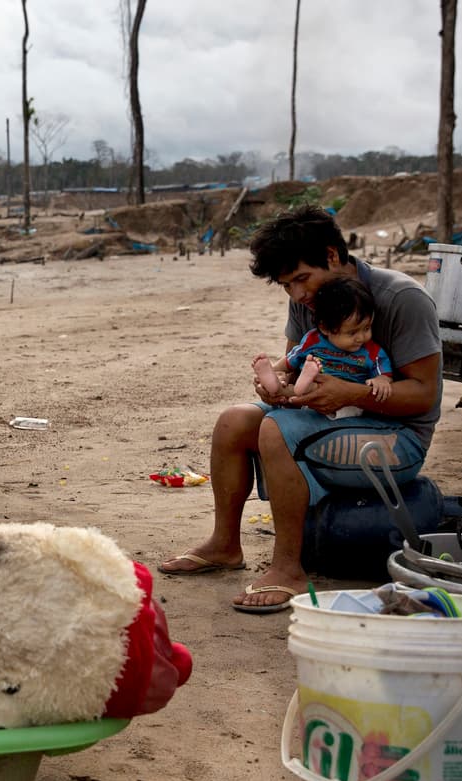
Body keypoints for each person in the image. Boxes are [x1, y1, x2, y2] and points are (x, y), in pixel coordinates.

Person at [159, 207, 442, 613]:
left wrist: (351, 393)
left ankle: (288, 569)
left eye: (301, 280)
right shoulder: (312, 300)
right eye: (286, 285)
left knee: (277, 430)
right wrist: (274, 382)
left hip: (397, 439)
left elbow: (423, 396)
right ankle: (225, 545)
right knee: (234, 421)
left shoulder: (401, 299)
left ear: (331, 256)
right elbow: (297, 359)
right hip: (330, 418)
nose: (297, 295)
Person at [253, 275, 394, 419]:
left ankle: (303, 385)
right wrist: (277, 371)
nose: (361, 337)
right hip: (306, 397)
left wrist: (381, 380)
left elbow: (384, 374)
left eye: (366, 328)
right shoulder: (313, 340)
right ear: (325, 328)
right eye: (352, 332)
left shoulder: (372, 351)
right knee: (293, 390)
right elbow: (289, 361)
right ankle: (275, 384)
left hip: (346, 402)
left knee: (312, 389)